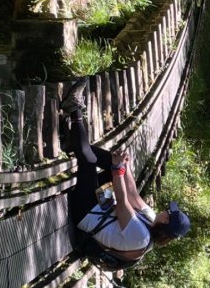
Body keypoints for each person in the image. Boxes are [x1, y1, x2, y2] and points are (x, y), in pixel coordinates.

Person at [60, 78, 191, 264]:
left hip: (86, 213)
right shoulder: (151, 220)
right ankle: (73, 143)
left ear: (166, 222)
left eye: (168, 213)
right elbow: (132, 194)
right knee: (115, 164)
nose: (164, 211)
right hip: (100, 208)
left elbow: (122, 202)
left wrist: (118, 169)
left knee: (89, 162)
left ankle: (73, 108)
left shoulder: (141, 237)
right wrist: (125, 166)